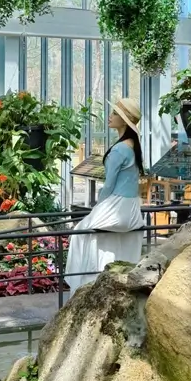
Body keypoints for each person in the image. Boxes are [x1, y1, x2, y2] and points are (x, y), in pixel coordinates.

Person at [65, 97, 146, 298]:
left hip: (115, 206)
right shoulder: (133, 145)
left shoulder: (119, 149)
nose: (109, 116)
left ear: (125, 119)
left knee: (80, 231)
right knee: (109, 239)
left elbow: (109, 185)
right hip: (132, 209)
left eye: (115, 113)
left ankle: (82, 283)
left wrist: (98, 206)